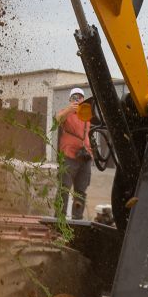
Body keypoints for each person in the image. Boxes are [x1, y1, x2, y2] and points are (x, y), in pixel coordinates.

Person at [55, 88, 93, 219]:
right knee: (64, 188)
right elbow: (58, 120)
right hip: (68, 156)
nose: (78, 99)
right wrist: (69, 110)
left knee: (81, 192)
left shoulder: (87, 115)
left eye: (80, 97)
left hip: (85, 156)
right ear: (70, 100)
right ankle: (59, 218)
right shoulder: (65, 113)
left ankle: (78, 219)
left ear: (84, 99)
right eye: (74, 97)